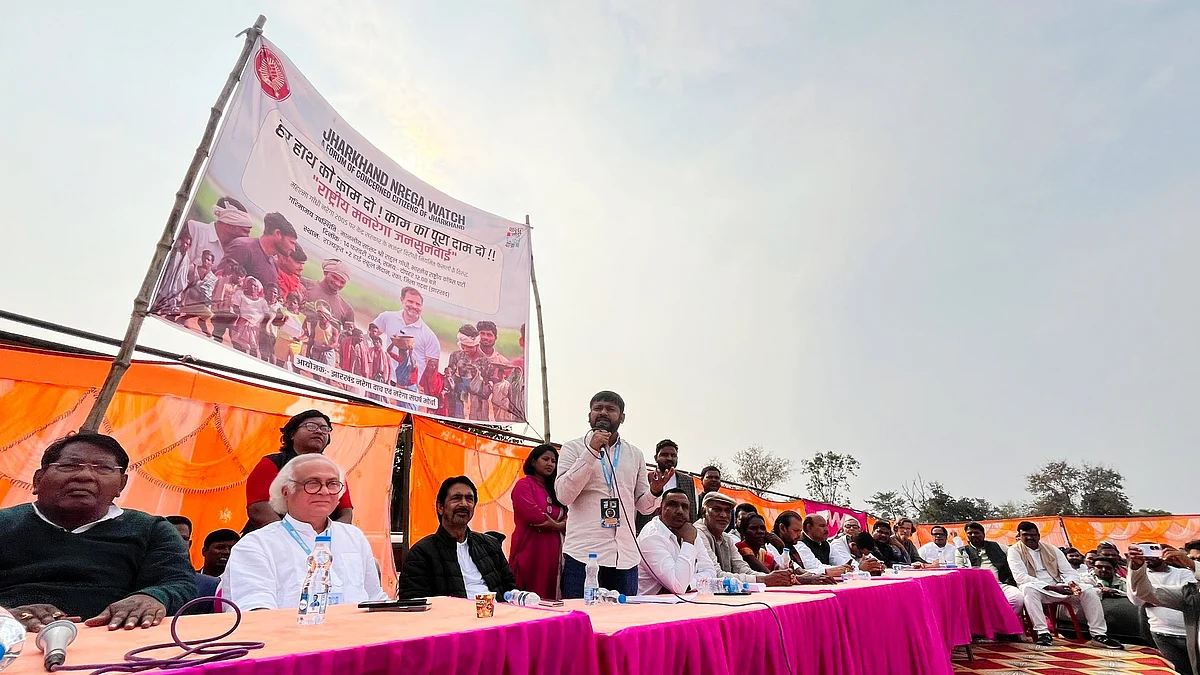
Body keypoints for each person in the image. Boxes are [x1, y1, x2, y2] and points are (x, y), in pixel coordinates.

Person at [0, 434, 195, 632]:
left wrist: (153, 598)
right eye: (69, 465)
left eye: (103, 468)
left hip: (120, 642)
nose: (85, 476)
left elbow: (179, 584)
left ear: (121, 484)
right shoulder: (4, 524)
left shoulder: (152, 530)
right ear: (38, 479)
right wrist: (5, 616)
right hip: (12, 641)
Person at [222, 454, 387, 610]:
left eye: (332, 484)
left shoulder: (354, 537)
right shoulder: (256, 545)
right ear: (286, 492)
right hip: (287, 637)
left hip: (358, 636)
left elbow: (375, 598)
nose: (324, 491)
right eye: (312, 483)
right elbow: (254, 609)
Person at [554, 391, 670, 598]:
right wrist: (590, 451)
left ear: (622, 417)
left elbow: (643, 506)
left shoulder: (635, 454)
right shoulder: (572, 448)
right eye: (598, 408)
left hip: (625, 557)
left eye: (611, 409)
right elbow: (563, 495)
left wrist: (655, 491)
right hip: (584, 555)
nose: (603, 413)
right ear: (589, 415)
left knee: (623, 623)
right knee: (582, 622)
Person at [1007, 521, 1123, 649]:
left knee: (1090, 590)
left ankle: (1099, 635)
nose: (1030, 538)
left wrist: (1071, 584)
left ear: (1038, 535)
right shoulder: (1014, 551)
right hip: (1038, 589)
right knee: (1028, 589)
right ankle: (1043, 633)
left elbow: (1068, 571)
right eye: (1025, 535)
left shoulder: (1051, 549)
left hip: (1059, 586)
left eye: (1033, 535)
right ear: (1019, 536)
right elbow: (1021, 577)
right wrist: (1051, 587)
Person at [399, 476, 516, 600]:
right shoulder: (421, 553)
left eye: (469, 499)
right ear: (440, 507)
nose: (464, 504)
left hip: (496, 615)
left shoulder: (490, 546)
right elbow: (413, 602)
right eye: (456, 498)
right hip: (451, 618)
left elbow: (511, 590)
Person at [244, 410, 354, 532]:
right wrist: (290, 536)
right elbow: (258, 508)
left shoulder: (333, 470)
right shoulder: (272, 463)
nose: (318, 431)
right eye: (311, 426)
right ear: (292, 434)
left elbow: (346, 512)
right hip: (272, 539)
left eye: (324, 429)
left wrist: (329, 536)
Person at [693, 492, 797, 587]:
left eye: (727, 511)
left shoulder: (726, 539)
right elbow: (715, 575)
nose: (723, 515)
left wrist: (773, 578)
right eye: (717, 509)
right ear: (703, 512)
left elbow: (742, 569)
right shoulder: (698, 533)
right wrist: (764, 579)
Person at [509, 444, 567, 600]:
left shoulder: (556, 491)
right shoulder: (524, 485)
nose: (550, 464)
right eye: (545, 459)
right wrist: (560, 525)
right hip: (529, 552)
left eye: (554, 461)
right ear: (533, 462)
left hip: (554, 556)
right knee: (530, 600)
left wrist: (556, 525)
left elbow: (571, 518)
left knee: (551, 601)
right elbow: (533, 515)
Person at [1127, 545, 1196, 675]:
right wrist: (1136, 567)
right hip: (1163, 634)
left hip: (1190, 634)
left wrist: (1192, 565)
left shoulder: (1184, 573)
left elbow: (1190, 599)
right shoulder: (1141, 574)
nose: (1149, 555)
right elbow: (1141, 596)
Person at [637, 489, 718, 595]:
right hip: (648, 606)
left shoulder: (690, 531)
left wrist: (689, 584)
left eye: (684, 507)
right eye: (672, 505)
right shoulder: (651, 536)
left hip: (684, 602)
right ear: (659, 510)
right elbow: (678, 586)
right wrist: (688, 542)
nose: (680, 511)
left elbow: (710, 572)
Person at [371, 287, 442, 399]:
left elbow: (432, 372)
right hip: (386, 381)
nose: (414, 306)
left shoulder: (429, 336)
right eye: (410, 301)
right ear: (402, 300)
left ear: (422, 307)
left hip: (410, 389)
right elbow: (371, 337)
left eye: (418, 304)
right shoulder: (387, 317)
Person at [955, 522, 1024, 619]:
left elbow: (1014, 553)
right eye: (970, 533)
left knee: (1017, 599)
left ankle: (1003, 625)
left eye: (976, 533)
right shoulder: (961, 551)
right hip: (977, 589)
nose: (973, 535)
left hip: (1001, 584)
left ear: (983, 534)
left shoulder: (997, 546)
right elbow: (961, 571)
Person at [222, 212, 298, 290]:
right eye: (291, 242)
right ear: (277, 233)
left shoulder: (274, 265)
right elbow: (220, 281)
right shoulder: (243, 247)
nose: (293, 249)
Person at [636, 439, 697, 532]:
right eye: (664, 455)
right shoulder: (645, 477)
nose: (669, 458)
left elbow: (691, 509)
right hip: (649, 532)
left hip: (678, 533)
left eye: (673, 455)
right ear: (656, 457)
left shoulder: (687, 480)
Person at [181, 196, 253, 269]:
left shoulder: (235, 252)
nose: (247, 237)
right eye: (245, 231)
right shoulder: (194, 230)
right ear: (229, 225)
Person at [302, 259, 357, 328]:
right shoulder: (305, 284)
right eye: (334, 277)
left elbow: (350, 335)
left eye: (342, 282)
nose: (337, 283)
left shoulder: (347, 309)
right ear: (326, 272)